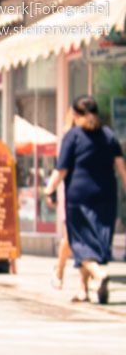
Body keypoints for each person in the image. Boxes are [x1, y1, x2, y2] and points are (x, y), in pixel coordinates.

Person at [44, 95, 126, 304]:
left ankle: (99, 274)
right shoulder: (108, 134)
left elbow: (61, 169)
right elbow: (121, 167)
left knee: (79, 242)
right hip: (106, 196)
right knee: (94, 241)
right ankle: (83, 289)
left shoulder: (73, 136)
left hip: (79, 197)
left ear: (75, 114)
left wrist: (49, 188)